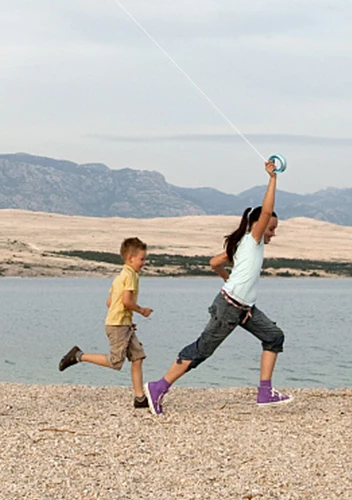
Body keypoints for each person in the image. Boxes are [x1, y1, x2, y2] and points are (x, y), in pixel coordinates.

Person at [144, 160, 291, 415]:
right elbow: (265, 211)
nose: (273, 233)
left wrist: (229, 281)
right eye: (271, 228)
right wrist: (273, 178)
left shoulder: (244, 244)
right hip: (229, 308)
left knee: (274, 336)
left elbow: (214, 262)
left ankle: (265, 392)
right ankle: (158, 387)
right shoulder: (253, 238)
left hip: (243, 307)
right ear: (258, 224)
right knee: (201, 351)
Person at [58, 237, 153, 408]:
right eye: (142, 259)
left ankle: (140, 398)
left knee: (137, 357)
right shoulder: (130, 276)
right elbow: (126, 301)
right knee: (116, 362)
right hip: (118, 325)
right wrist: (141, 311)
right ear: (130, 258)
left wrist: (126, 320)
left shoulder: (120, 276)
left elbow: (110, 302)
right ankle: (78, 356)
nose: (144, 263)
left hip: (121, 323)